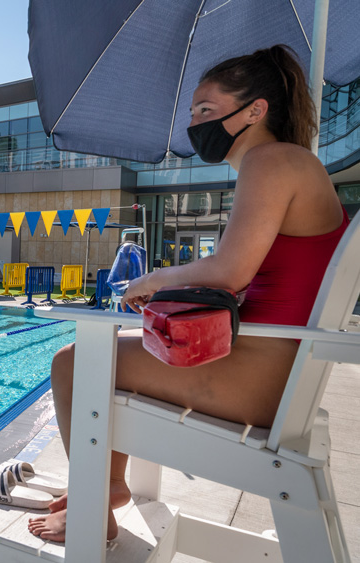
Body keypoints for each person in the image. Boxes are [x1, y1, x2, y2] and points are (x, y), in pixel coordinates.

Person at [28, 45, 348, 543]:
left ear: (255, 110)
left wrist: (149, 281)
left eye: (207, 110)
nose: (195, 123)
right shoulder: (291, 164)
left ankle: (95, 500)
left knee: (75, 361)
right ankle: (108, 485)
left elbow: (229, 273)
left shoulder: (272, 161)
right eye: (193, 112)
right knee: (116, 351)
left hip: (258, 381)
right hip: (274, 370)